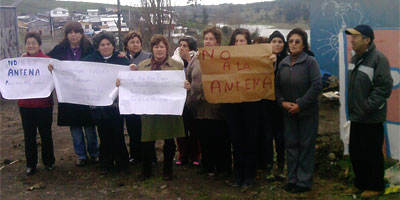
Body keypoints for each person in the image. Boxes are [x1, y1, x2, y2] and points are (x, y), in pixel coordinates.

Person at [344, 24, 393, 198]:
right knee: (357, 152)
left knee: (371, 153)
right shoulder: (354, 58)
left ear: (367, 40)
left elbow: (384, 87)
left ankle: (376, 186)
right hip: (357, 116)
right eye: (351, 36)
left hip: (371, 117)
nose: (352, 39)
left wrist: (367, 107)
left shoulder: (378, 59)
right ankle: (360, 183)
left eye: (355, 37)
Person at [133, 35, 189, 181]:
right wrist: (124, 81)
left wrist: (186, 86)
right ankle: (146, 170)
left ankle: (167, 169)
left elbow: (182, 85)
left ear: (166, 48)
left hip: (169, 109)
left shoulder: (177, 66)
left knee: (169, 140)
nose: (159, 49)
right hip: (149, 108)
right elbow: (135, 86)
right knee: (147, 140)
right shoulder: (142, 66)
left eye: (162, 46)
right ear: (152, 48)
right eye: (156, 46)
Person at [275, 28, 321, 193]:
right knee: (292, 146)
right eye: (291, 41)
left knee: (306, 146)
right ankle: (292, 178)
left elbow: (316, 86)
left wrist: (300, 104)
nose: (293, 44)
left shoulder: (310, 62)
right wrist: (281, 102)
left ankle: (304, 181)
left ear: (303, 45)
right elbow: (276, 87)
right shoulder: (283, 63)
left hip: (307, 112)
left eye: (297, 41)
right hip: (288, 112)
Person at [47, 21, 98, 166]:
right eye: (70, 32)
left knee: (89, 126)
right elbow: (44, 59)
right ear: (67, 35)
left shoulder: (90, 49)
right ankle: (81, 155)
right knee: (75, 126)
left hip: (87, 93)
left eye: (76, 32)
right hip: (68, 94)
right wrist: (31, 58)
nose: (73, 35)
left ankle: (94, 153)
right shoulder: (60, 49)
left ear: (82, 34)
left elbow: (102, 59)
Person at [81, 31, 131, 175]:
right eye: (102, 44)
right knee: (104, 135)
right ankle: (106, 163)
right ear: (97, 47)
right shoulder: (89, 61)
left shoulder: (122, 60)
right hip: (99, 106)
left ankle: (122, 163)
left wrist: (132, 67)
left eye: (108, 44)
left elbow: (132, 73)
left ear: (113, 45)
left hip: (117, 106)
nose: (105, 47)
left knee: (118, 134)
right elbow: (75, 71)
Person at [186, 26, 232, 180]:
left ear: (218, 42)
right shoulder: (196, 58)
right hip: (199, 108)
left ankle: (223, 167)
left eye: (211, 39)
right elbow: (189, 77)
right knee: (204, 139)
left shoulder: (224, 57)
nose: (208, 41)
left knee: (220, 139)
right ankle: (207, 165)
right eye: (206, 39)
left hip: (217, 108)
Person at [225, 28, 261, 188]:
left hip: (251, 105)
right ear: (232, 43)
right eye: (236, 41)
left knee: (250, 139)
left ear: (248, 42)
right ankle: (238, 174)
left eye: (242, 40)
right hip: (232, 106)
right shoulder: (224, 59)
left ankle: (249, 175)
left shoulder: (256, 57)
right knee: (236, 140)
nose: (239, 43)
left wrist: (271, 59)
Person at [19, 32, 55, 175]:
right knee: (29, 135)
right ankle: (31, 164)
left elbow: (54, 80)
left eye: (34, 43)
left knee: (46, 134)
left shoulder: (47, 61)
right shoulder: (20, 62)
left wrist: (52, 70)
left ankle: (49, 161)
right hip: (25, 105)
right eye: (28, 43)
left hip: (44, 104)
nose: (31, 45)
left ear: (39, 45)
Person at [122, 31, 152, 165]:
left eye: (137, 42)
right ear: (126, 45)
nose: (135, 45)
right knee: (132, 128)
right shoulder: (122, 58)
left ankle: (150, 157)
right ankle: (134, 155)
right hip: (129, 99)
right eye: (132, 42)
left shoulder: (148, 57)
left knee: (145, 129)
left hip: (145, 98)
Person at [264, 30, 288, 181]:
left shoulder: (288, 59)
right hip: (266, 104)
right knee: (267, 137)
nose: (277, 44)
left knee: (280, 137)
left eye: (280, 42)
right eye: (274, 41)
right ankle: (268, 166)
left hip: (281, 104)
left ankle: (281, 164)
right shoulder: (263, 58)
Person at [173, 36, 201, 166]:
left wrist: (188, 60)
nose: (182, 48)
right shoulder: (174, 60)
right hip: (179, 99)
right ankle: (183, 154)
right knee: (181, 128)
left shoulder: (197, 59)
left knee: (194, 128)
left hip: (193, 98)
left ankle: (196, 154)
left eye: (185, 46)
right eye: (180, 45)